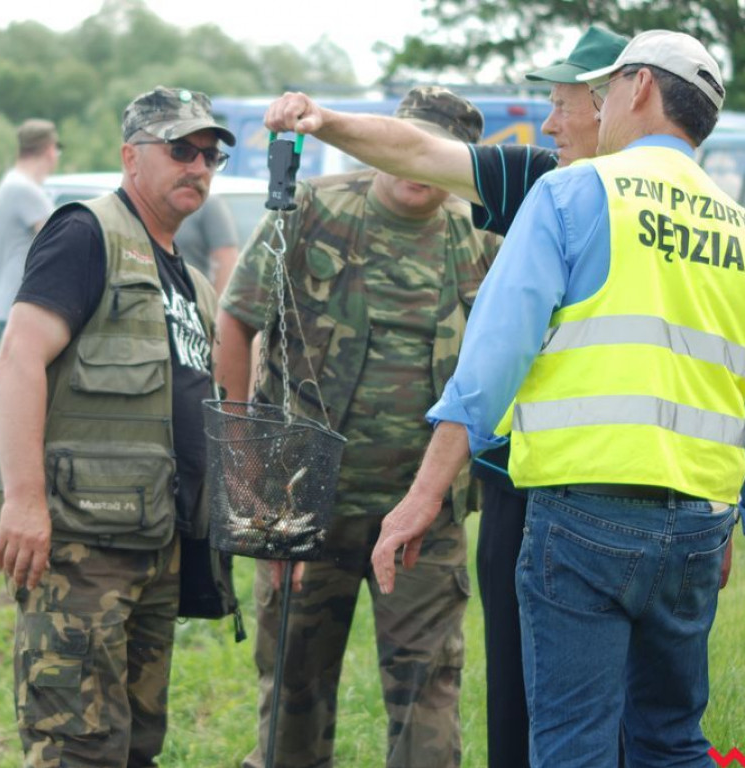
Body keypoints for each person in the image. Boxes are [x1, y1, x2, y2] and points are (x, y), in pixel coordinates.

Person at [370, 30, 740, 768]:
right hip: (698, 527)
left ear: (638, 87)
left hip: (585, 521)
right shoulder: (734, 225)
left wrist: (422, 497)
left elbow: (492, 362)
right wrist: (726, 520)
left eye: (605, 92)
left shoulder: (573, 192)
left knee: (573, 748)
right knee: (670, 741)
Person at [263, 25, 627, 768]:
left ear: (618, 98)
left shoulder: (672, 207)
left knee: (626, 720)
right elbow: (414, 152)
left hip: (625, 499)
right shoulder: (537, 182)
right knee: (524, 711)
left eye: (562, 104)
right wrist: (324, 121)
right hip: (520, 496)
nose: (549, 123)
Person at [216, 86, 498, 768]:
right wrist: (250, 484)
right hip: (303, 507)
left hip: (423, 517)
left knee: (428, 704)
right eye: (402, 145)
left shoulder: (482, 241)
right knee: (293, 697)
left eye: (432, 154)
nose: (412, 165)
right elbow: (237, 319)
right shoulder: (313, 210)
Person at [0, 86, 236, 768]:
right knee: (77, 747)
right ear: (131, 156)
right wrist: (24, 499)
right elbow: (18, 359)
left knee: (137, 746)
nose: (199, 167)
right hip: (81, 553)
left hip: (158, 547)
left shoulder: (193, 283)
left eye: (209, 156)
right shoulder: (86, 234)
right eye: (180, 150)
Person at [0, 118, 60, 329]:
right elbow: (59, 242)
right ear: (50, 150)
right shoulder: (24, 189)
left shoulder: (10, 183)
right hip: (24, 308)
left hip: (12, 304)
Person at [175, 193, 240, 294]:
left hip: (194, 300)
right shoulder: (148, 205)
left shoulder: (208, 204)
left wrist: (216, 306)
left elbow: (227, 261)